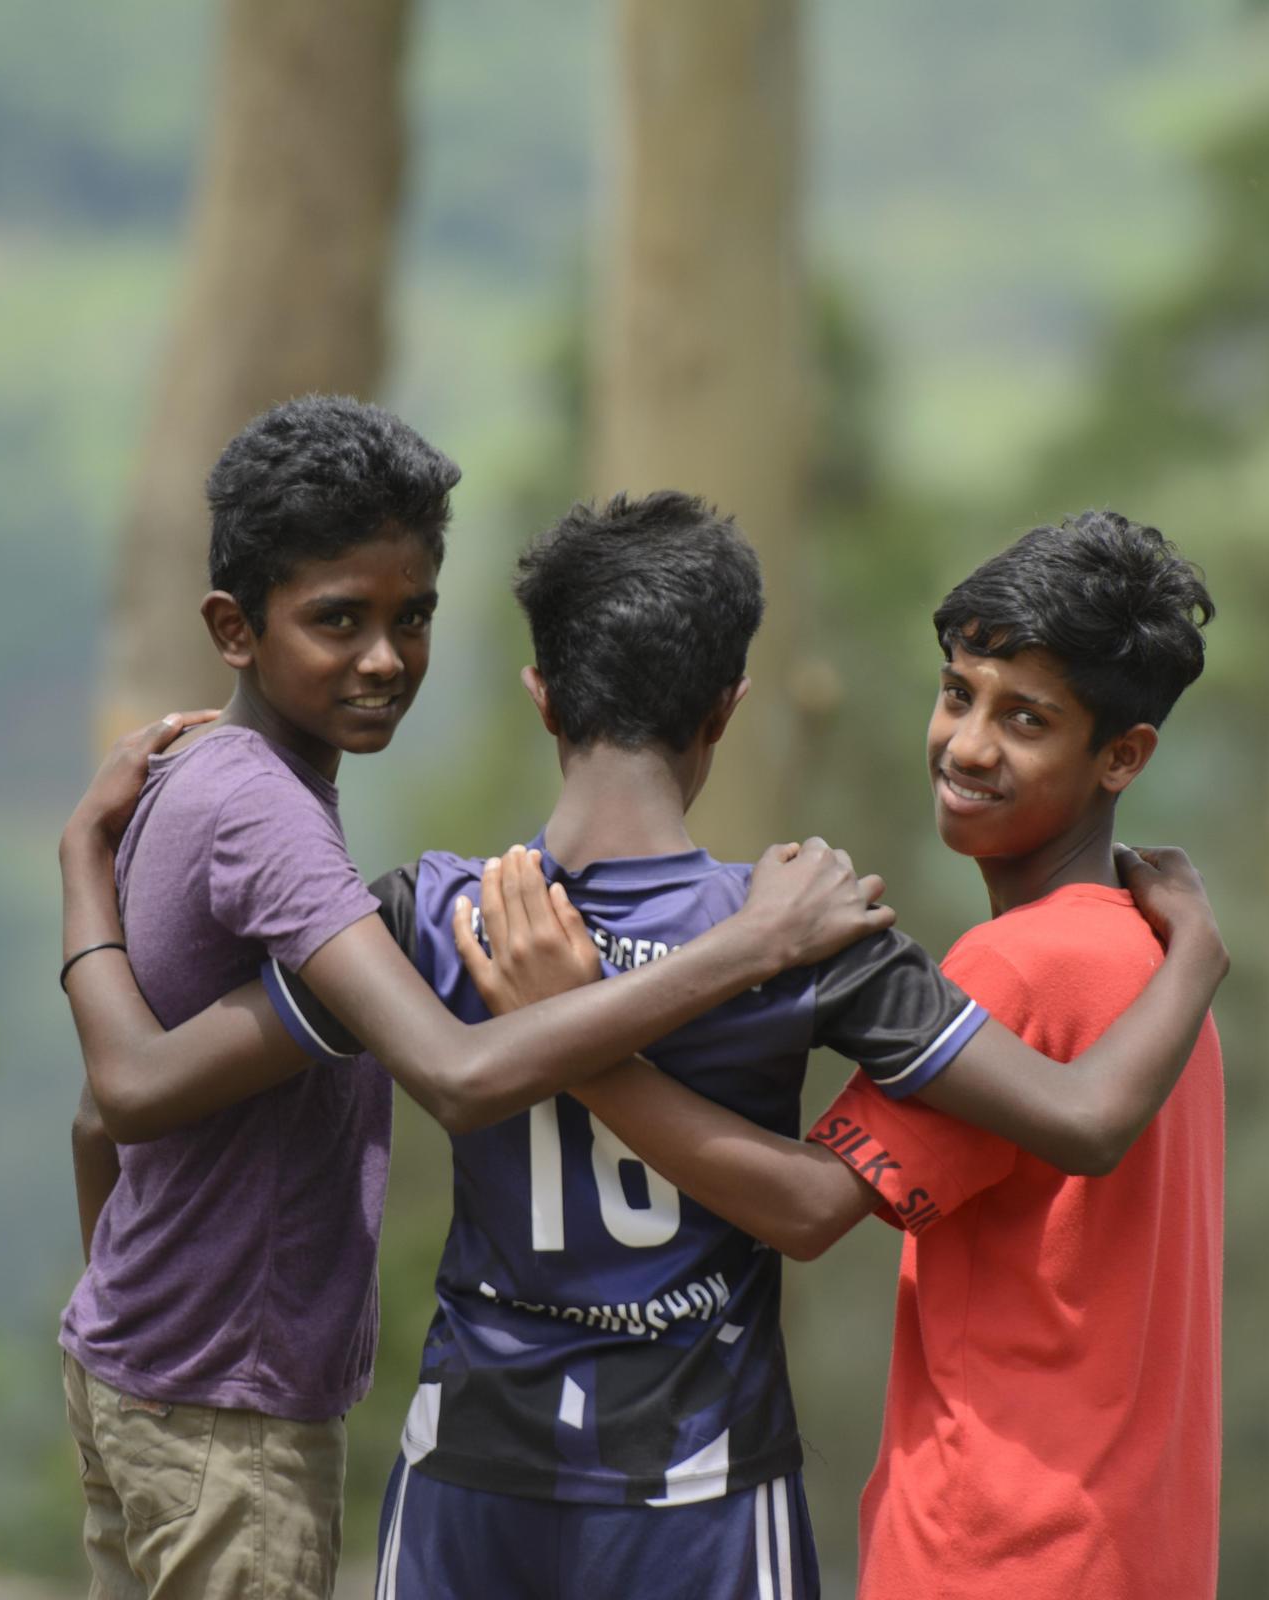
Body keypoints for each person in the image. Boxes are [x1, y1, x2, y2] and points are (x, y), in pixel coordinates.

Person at [60, 492, 1228, 1598]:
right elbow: (1072, 1121)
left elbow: (133, 1094)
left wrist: (89, 870)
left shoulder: (426, 918)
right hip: (703, 1490)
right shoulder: (811, 931)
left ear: (541, 697)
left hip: (471, 1473)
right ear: (726, 705)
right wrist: (1196, 957)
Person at [57, 401, 893, 1600]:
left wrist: (85, 858)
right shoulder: (272, 821)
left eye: (414, 616)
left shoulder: (222, 788)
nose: (386, 658)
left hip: (135, 1369)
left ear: (540, 693)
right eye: (338, 620)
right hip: (229, 1410)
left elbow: (106, 1108)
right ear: (233, 630)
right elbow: (452, 1075)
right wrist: (751, 942)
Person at [478, 510, 1228, 1600]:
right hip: (1137, 1552)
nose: (969, 744)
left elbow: (806, 1206)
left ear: (1123, 755)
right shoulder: (1153, 960)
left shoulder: (1019, 966)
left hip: (999, 1553)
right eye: (958, 691)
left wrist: (578, 1041)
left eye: (1027, 719)